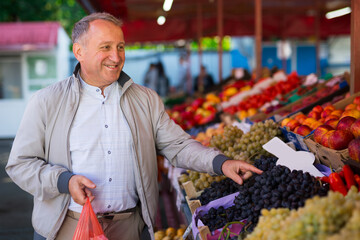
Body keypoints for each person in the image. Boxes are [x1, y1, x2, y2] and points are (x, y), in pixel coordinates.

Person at [5, 12, 262, 240]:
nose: (116, 57)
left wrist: (221, 163)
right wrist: (64, 181)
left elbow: (178, 145)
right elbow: (20, 164)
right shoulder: (47, 101)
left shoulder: (145, 99)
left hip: (128, 228)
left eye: (120, 47)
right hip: (66, 227)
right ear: (79, 51)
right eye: (105, 47)